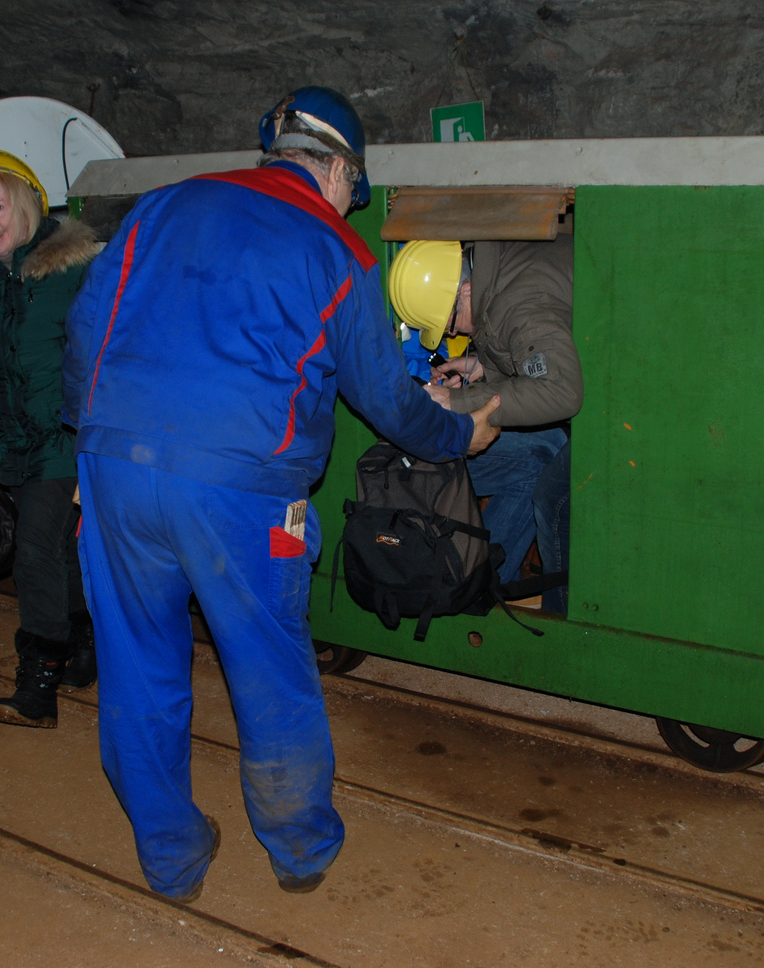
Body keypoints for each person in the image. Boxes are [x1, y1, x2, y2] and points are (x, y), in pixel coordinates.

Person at [63, 85, 501, 903]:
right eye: (352, 190)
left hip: (115, 468)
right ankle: (298, 847)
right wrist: (460, 434)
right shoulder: (335, 249)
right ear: (335, 169)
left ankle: (170, 857)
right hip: (241, 490)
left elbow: (88, 330)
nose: (349, 204)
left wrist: (94, 447)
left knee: (137, 668)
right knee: (268, 667)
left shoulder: (157, 210)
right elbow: (386, 397)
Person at [0, 150, 100, 728]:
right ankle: (84, 644)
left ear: (26, 206)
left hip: (64, 437)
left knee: (33, 551)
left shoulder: (72, 270)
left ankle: (37, 682)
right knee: (58, 550)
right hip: (11, 442)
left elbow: (103, 351)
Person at [387, 236, 582, 612]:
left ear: (466, 290)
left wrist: (457, 401)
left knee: (554, 499)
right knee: (540, 455)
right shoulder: (501, 268)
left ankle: (564, 625)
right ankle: (480, 585)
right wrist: (483, 369)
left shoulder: (520, 302)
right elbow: (530, 349)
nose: (453, 335)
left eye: (449, 323)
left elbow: (561, 391)